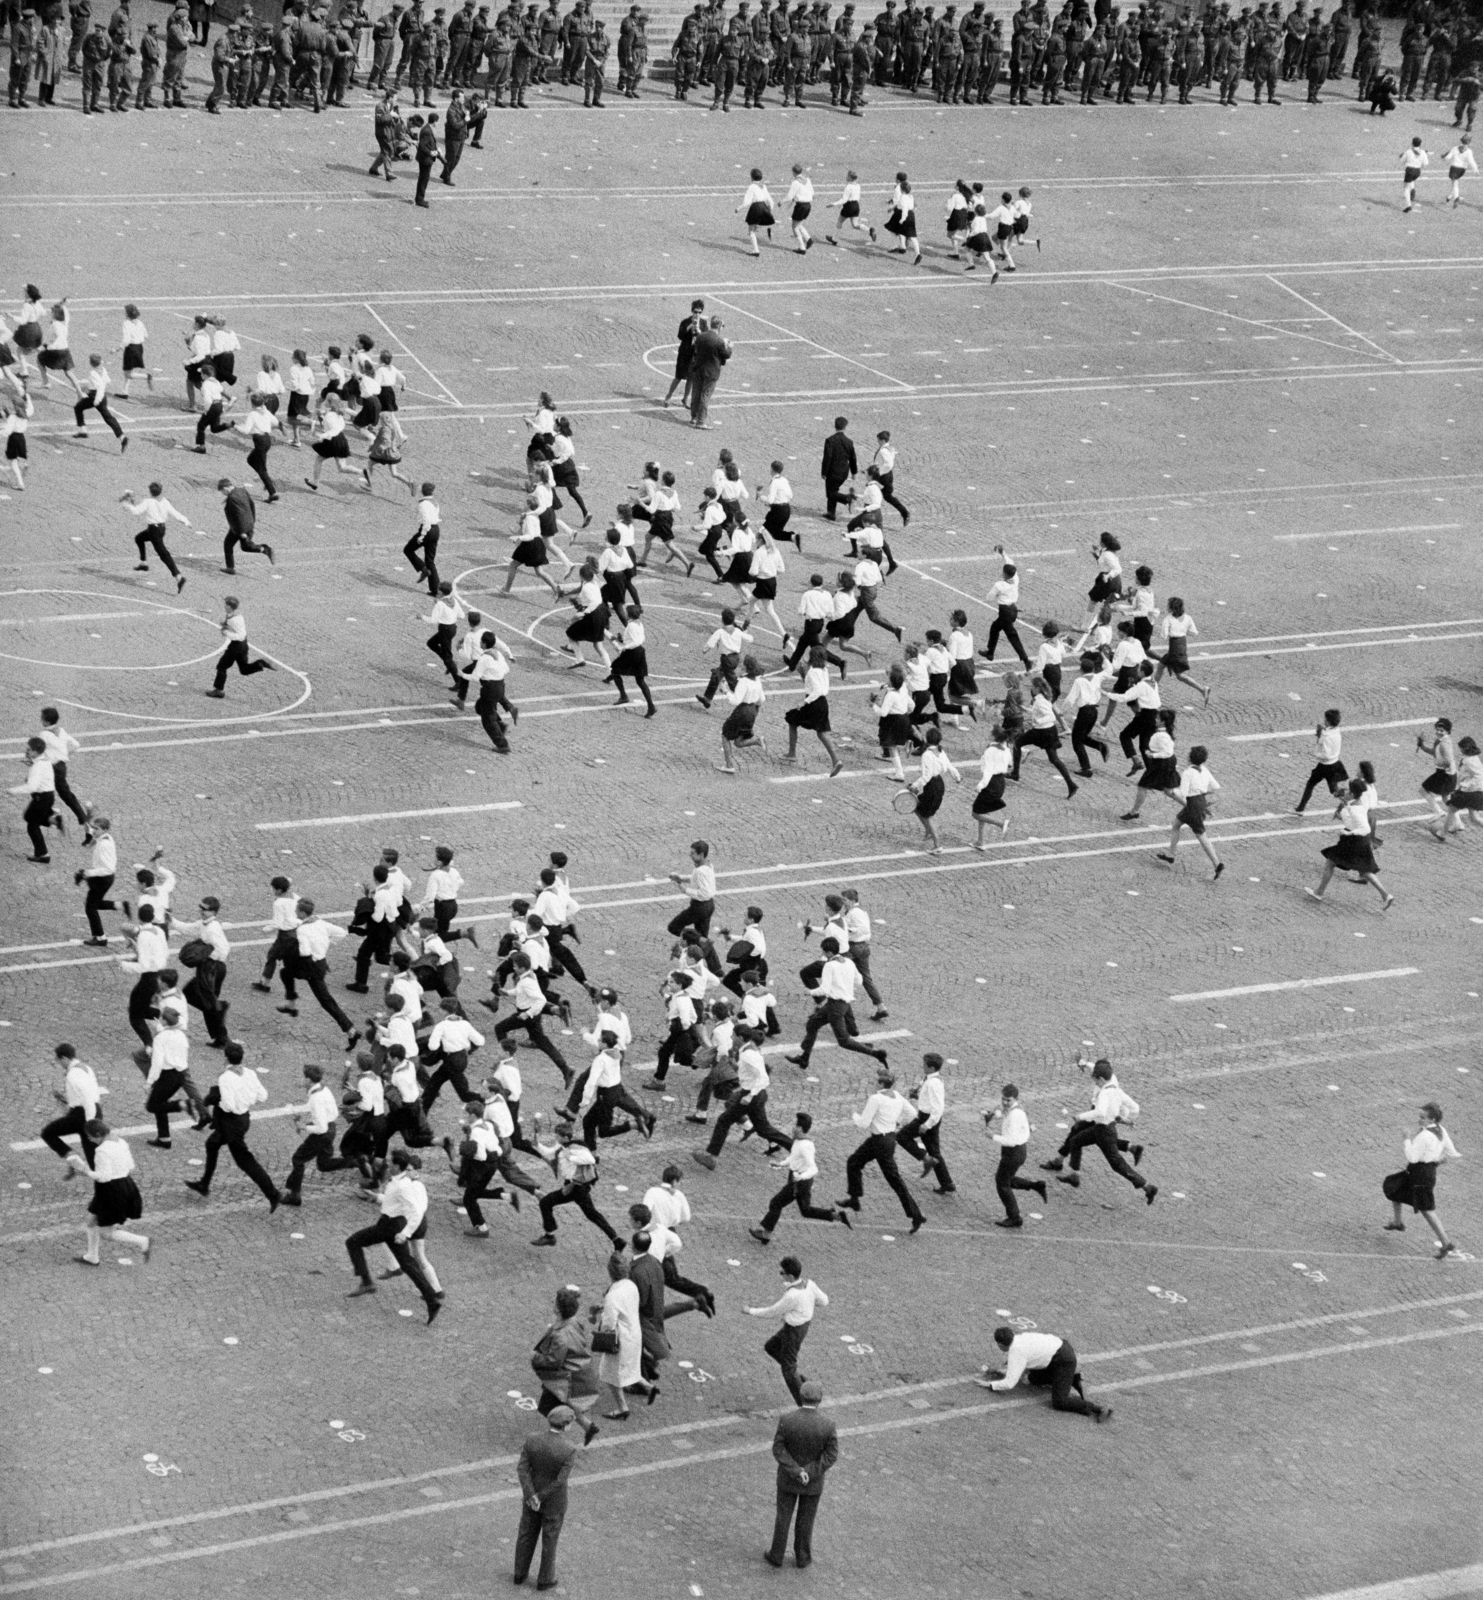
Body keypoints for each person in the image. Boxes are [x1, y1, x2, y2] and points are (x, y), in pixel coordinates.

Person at [184, 1043, 283, 1211]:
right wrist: (247, 1100)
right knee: (212, 1144)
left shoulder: (226, 1078)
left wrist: (218, 1100)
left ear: (226, 1058)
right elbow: (263, 1096)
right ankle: (204, 1184)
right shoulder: (250, 1073)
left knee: (245, 1161)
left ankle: (273, 1194)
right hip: (242, 1119)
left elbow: (229, 1105)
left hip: (231, 1123)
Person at [838, 1068, 925, 1231]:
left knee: (895, 1180)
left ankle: (916, 1215)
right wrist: (896, 1121)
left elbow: (863, 1123)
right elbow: (913, 1113)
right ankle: (854, 1199)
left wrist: (853, 1115)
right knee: (854, 1162)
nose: (873, 1083)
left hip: (880, 1142)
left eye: (876, 1080)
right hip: (886, 1139)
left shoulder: (876, 1098)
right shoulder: (897, 1096)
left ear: (881, 1083)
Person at [766, 1380, 839, 1570]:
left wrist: (796, 1471)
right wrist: (809, 1472)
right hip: (813, 1483)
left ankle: (776, 1555)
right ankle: (802, 1557)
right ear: (820, 1400)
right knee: (806, 1520)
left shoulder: (787, 1420)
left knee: (783, 1517)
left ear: (800, 1396)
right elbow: (831, 1455)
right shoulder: (828, 1425)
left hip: (788, 1479)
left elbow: (779, 1448)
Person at [974, 1324, 1112, 1421]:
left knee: (1059, 1402)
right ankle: (1072, 1378)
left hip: (1063, 1362)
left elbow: (1010, 1383)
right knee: (1031, 1378)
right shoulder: (1020, 1338)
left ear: (1000, 1344)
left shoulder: (1017, 1352)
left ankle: (1097, 1409)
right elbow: (1017, 1360)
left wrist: (990, 1385)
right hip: (1061, 1349)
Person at [750, 1111, 852, 1242]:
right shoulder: (799, 1142)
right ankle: (836, 1216)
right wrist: (781, 1164)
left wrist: (800, 1177)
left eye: (795, 1125)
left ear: (799, 1128)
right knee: (805, 1210)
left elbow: (814, 1168)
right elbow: (793, 1157)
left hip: (799, 1182)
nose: (793, 1128)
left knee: (776, 1203)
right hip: (799, 1179)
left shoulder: (805, 1146)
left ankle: (766, 1233)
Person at [746, 1255, 827, 1405]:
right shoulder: (809, 1284)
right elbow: (824, 1301)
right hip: (801, 1326)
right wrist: (807, 1305)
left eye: (782, 1273)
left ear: (790, 1276)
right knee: (771, 1347)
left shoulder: (792, 1295)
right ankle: (798, 1378)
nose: (780, 1275)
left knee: (788, 1369)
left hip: (793, 1331)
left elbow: (772, 1312)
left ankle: (804, 1403)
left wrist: (750, 1311)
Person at [1383, 1102, 1459, 1258]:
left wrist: (1406, 1139)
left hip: (1420, 1174)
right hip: (1426, 1172)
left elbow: (1412, 1157)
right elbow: (1451, 1152)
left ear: (1431, 1119)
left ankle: (1446, 1243)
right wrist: (1436, 1160)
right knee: (1394, 1187)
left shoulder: (1425, 1136)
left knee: (1427, 1210)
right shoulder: (1441, 1131)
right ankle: (1397, 1222)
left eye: (1423, 1117)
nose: (1419, 1119)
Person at [76, 1120, 151, 1267]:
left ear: (97, 1135)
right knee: (91, 1221)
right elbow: (131, 1166)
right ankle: (92, 1256)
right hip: (124, 1185)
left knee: (106, 1232)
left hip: (111, 1192)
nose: (90, 1140)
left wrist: (86, 1172)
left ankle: (143, 1241)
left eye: (90, 1137)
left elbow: (104, 1177)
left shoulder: (102, 1151)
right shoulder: (121, 1142)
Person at [596, 1249, 653, 1417]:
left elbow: (608, 1325)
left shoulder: (612, 1295)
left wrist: (601, 1314)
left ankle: (622, 1408)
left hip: (621, 1340)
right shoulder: (631, 1286)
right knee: (630, 1368)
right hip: (634, 1334)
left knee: (610, 1374)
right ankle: (650, 1388)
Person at [985, 1082, 1045, 1227]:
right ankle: (1036, 1186)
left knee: (1002, 1183)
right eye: (1003, 1099)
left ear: (1015, 1099)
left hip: (1013, 1152)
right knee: (1007, 1179)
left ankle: (1014, 1217)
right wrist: (996, 1114)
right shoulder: (1015, 1109)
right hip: (1017, 1151)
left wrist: (992, 1136)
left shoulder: (1015, 1115)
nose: (1004, 1103)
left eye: (1008, 1100)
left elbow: (1010, 1141)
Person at [207, 596, 276, 700]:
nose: (224, 606)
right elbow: (232, 625)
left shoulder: (235, 619)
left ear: (230, 607)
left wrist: (225, 632)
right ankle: (259, 663)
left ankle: (219, 690)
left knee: (222, 666)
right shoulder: (234, 615)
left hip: (236, 646)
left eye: (226, 604)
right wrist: (225, 625)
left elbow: (240, 636)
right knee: (244, 669)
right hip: (243, 645)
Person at [688, 315, 730, 429]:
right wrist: (728, 346)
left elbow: (695, 349)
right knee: (705, 395)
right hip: (711, 372)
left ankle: (693, 418)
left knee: (696, 393)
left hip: (698, 368)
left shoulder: (701, 336)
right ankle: (701, 421)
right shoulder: (719, 340)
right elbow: (726, 355)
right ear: (719, 326)